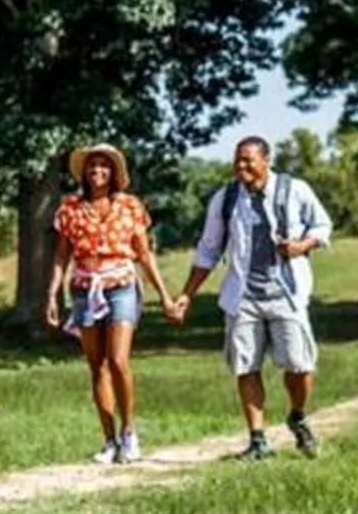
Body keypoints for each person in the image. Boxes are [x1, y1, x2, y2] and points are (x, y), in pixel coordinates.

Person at [172, 135, 336, 459]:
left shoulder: (295, 190)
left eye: (248, 160)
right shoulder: (227, 197)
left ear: (266, 160)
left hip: (286, 293)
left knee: (300, 365)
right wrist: (187, 294)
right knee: (245, 366)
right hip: (242, 296)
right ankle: (258, 440)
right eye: (237, 160)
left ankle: (297, 414)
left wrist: (302, 246)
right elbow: (208, 249)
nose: (241, 166)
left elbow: (322, 225)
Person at [43, 142, 175, 463]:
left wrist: (165, 296)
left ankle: (129, 430)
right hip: (85, 288)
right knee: (97, 365)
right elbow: (62, 255)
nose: (97, 171)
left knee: (118, 360)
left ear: (114, 172)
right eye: (92, 166)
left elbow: (144, 253)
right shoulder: (70, 208)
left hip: (121, 285)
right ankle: (109, 439)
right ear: (84, 173)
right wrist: (52, 293)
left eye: (104, 165)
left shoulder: (130, 206)